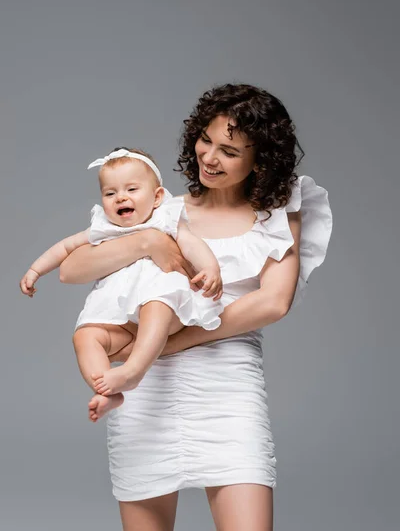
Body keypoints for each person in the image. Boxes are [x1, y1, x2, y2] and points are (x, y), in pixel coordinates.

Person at [60, 83, 333, 531]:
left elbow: (273, 301)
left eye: (229, 149)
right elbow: (72, 270)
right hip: (143, 389)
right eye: (205, 140)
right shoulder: (160, 210)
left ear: (259, 158)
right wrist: (147, 240)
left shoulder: (279, 213)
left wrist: (169, 345)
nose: (209, 157)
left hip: (224, 386)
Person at [20, 147, 224, 420]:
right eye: (110, 193)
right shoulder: (105, 227)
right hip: (120, 317)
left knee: (157, 302)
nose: (121, 198)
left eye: (132, 189)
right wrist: (35, 270)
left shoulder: (166, 219)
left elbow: (191, 244)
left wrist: (211, 268)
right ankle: (106, 392)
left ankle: (132, 372)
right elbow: (66, 247)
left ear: (157, 197)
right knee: (85, 336)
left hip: (164, 306)